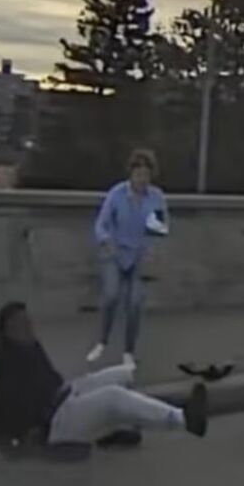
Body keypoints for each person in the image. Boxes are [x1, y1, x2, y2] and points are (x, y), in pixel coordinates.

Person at [0, 302, 207, 469]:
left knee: (124, 373)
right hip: (51, 424)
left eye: (29, 322)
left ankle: (115, 431)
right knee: (112, 397)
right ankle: (183, 419)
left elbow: (50, 382)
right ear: (7, 330)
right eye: (21, 324)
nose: (29, 328)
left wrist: (75, 389)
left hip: (64, 396)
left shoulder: (32, 347)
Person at [86, 148, 170, 368]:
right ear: (131, 174)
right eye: (138, 174)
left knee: (134, 303)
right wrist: (105, 239)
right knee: (111, 295)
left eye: (146, 175)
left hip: (139, 257)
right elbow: (101, 223)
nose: (142, 179)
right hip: (114, 253)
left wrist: (152, 249)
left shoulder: (156, 198)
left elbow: (160, 229)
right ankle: (102, 341)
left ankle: (128, 351)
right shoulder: (117, 194)